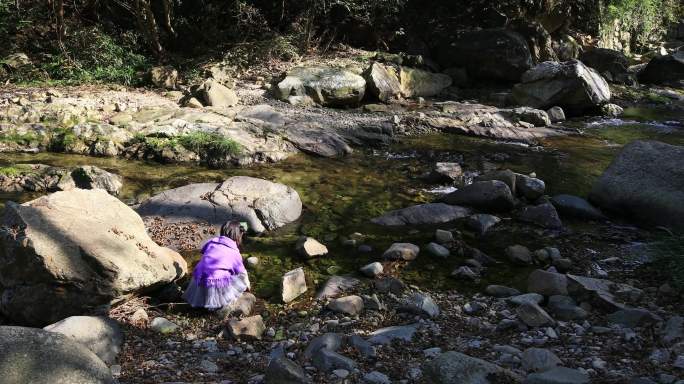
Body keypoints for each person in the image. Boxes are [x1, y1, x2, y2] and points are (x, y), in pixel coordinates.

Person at [183, 221, 251, 310]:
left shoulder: (211, 243)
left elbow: (204, 253)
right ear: (239, 236)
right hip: (217, 285)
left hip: (198, 280)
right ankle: (215, 305)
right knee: (238, 280)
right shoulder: (234, 252)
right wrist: (247, 285)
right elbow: (242, 273)